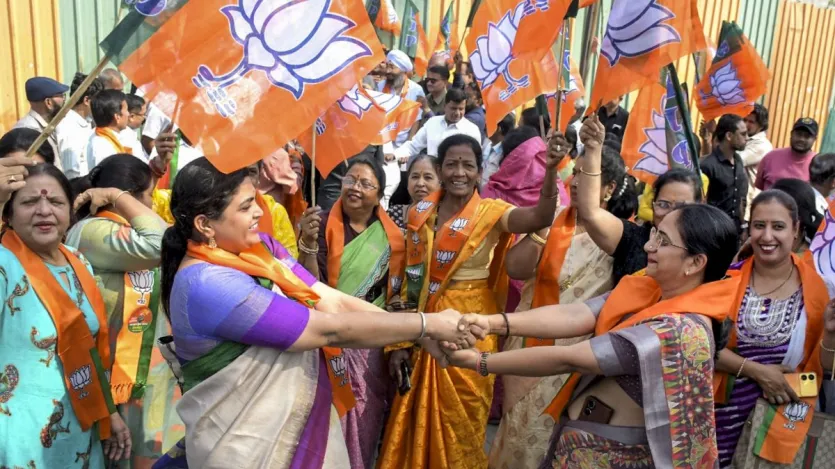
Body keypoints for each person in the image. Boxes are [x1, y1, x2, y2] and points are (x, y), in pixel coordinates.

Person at [158, 158, 474, 468]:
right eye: (244, 207)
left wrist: (421, 333)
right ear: (204, 224)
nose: (258, 211)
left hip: (290, 428)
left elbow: (331, 300)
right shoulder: (206, 283)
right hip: (244, 446)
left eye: (254, 200)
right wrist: (425, 324)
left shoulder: (261, 249)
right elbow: (326, 330)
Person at [444, 202, 740, 468]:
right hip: (579, 446)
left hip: (613, 457)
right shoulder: (647, 290)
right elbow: (576, 314)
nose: (649, 247)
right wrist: (493, 323)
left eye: (663, 241)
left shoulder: (679, 331)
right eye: (654, 234)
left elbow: (571, 359)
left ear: (695, 263)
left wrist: (480, 362)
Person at [377, 133, 563, 469]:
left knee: (463, 418)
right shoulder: (419, 213)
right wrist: (399, 342)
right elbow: (406, 278)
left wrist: (551, 171)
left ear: (480, 172)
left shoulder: (491, 212)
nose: (459, 172)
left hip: (472, 326)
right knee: (411, 414)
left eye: (468, 165)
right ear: (441, 168)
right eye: (451, 164)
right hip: (423, 327)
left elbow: (539, 217)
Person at [488, 131, 638, 467]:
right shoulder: (553, 221)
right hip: (526, 344)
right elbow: (515, 268)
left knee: (549, 442)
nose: (574, 182)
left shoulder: (619, 236)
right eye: (575, 173)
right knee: (514, 437)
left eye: (586, 176)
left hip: (571, 357)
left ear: (609, 189)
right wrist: (543, 231)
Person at [0, 163, 131, 467]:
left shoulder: (78, 261)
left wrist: (108, 414)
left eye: (56, 202)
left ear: (70, 214)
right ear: (8, 214)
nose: (44, 211)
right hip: (21, 440)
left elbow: (88, 346)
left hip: (80, 432)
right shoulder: (5, 264)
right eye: (30, 202)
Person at [65, 154, 183, 468]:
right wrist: (119, 198)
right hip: (113, 377)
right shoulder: (93, 231)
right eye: (146, 198)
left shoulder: (125, 229)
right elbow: (159, 245)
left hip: (145, 375)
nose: (151, 208)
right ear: (125, 197)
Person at [297, 157, 404, 468]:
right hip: (325, 333)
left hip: (370, 341)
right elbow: (309, 286)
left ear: (380, 194)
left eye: (365, 183)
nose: (355, 188)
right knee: (322, 416)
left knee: (364, 413)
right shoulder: (319, 224)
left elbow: (396, 293)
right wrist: (307, 242)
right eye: (350, 180)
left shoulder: (392, 238)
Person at [714, 189, 831, 467]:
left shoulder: (818, 290)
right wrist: (757, 372)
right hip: (717, 416)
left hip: (780, 420)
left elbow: (821, 370)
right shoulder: (725, 279)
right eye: (759, 226)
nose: (767, 237)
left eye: (778, 226)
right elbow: (699, 346)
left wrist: (833, 333)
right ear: (748, 229)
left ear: (796, 230)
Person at [575, 116, 704, 284]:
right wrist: (593, 149)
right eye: (663, 205)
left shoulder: (705, 250)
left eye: (681, 206)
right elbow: (591, 213)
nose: (671, 213)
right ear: (653, 205)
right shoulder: (633, 238)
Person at [393, 88, 481, 163]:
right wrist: (394, 155)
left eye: (461, 109)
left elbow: (476, 158)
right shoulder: (432, 123)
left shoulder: (471, 130)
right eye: (453, 108)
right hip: (433, 176)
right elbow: (413, 145)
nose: (457, 113)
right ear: (445, 106)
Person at [701, 113, 748, 229]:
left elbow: (740, 198)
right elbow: (701, 203)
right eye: (743, 134)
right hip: (713, 231)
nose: (747, 138)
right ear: (729, 136)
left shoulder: (738, 160)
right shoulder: (708, 166)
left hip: (734, 231)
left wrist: (743, 225)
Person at [12, 76, 68, 168]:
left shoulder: (50, 126)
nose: (64, 101)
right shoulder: (27, 131)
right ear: (48, 102)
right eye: (61, 96)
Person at [57, 73, 105, 177]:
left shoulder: (87, 122)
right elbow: (71, 171)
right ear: (86, 100)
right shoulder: (68, 126)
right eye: (97, 101)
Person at [255, 148, 301, 256]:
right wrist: (296, 165)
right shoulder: (277, 153)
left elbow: (289, 264)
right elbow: (293, 187)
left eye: (252, 172)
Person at [756, 118, 819, 191]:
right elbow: (759, 187)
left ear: (815, 139)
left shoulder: (819, 164)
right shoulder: (771, 157)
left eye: (807, 136)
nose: (801, 139)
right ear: (791, 134)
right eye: (798, 134)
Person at [386, 154, 441, 230]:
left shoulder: (447, 219)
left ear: (441, 182)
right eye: (415, 177)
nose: (420, 183)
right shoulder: (393, 214)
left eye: (428, 177)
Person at [739, 104, 774, 218]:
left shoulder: (761, 145)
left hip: (747, 209)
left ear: (761, 126)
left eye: (751, 122)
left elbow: (737, 160)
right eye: (744, 120)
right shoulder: (744, 139)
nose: (745, 124)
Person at [770, 179, 822, 255]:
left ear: (796, 227)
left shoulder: (803, 263)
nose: (766, 236)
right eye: (761, 225)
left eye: (778, 226)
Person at [87, 89, 131, 169]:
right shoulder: (103, 146)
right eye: (126, 110)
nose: (129, 114)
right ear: (117, 117)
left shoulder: (106, 137)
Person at [481, 112, 516, 187]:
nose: (484, 127)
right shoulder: (487, 144)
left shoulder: (508, 153)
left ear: (498, 128)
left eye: (488, 124)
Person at [121, 94, 149, 163]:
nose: (145, 118)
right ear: (132, 117)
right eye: (143, 115)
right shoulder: (126, 137)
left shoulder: (132, 133)